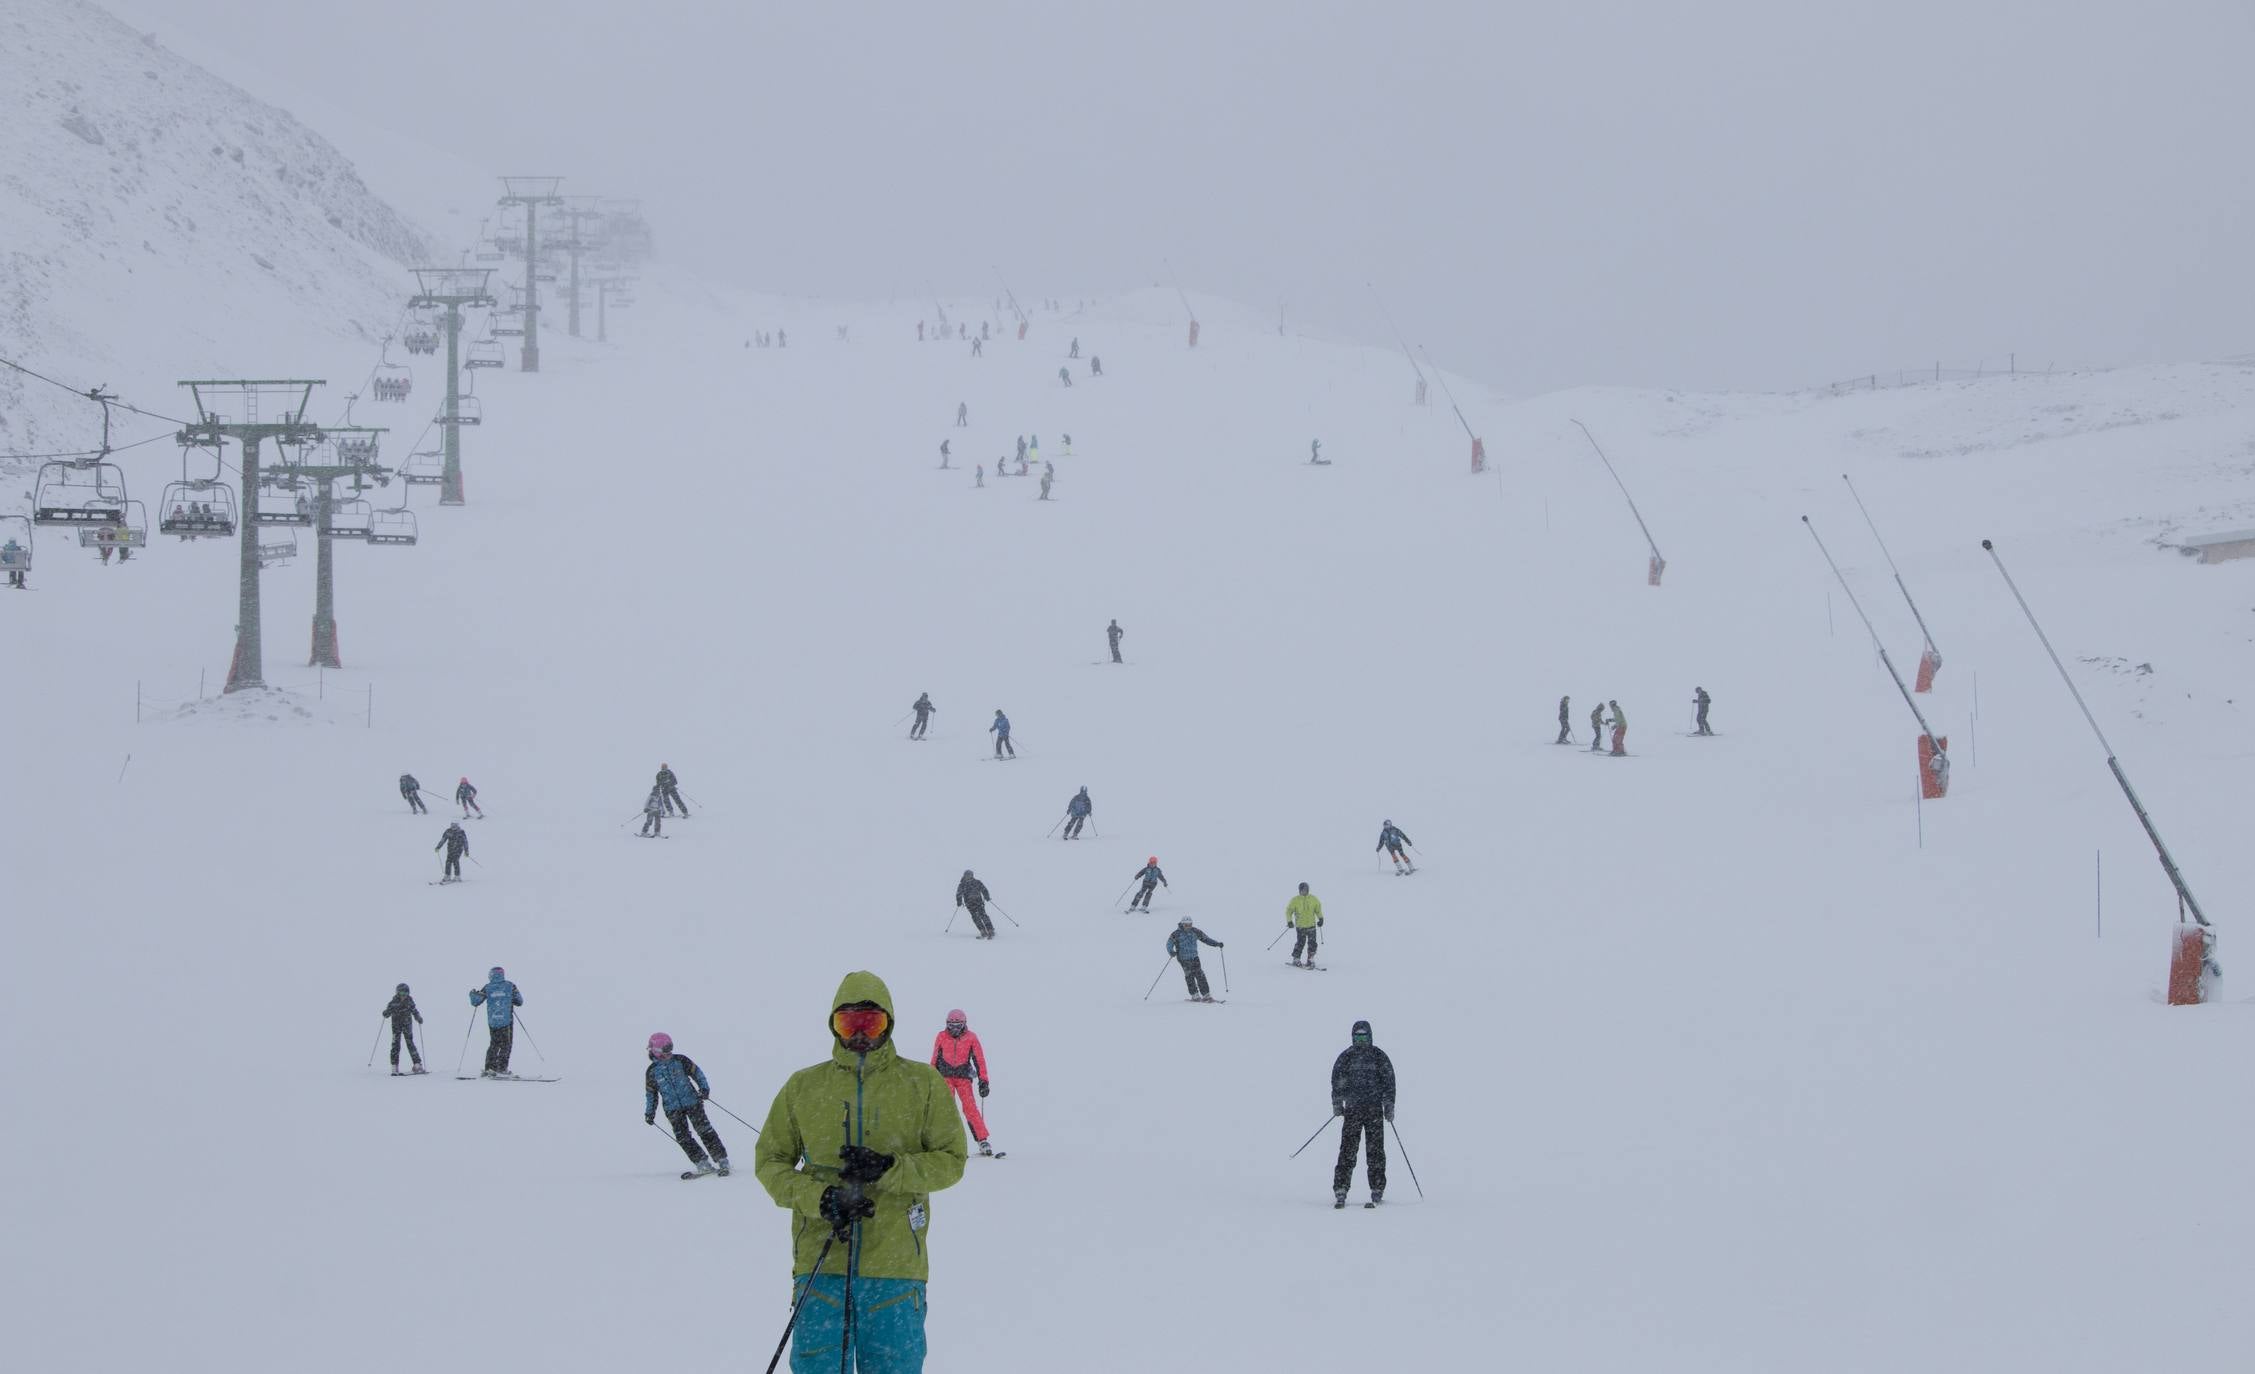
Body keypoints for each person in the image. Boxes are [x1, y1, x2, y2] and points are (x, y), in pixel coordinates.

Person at [754, 972, 966, 1374]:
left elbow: (951, 1160)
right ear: (833, 1025)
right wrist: (821, 1199)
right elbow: (770, 1163)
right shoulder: (803, 1086)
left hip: (895, 1269)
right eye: (848, 1023)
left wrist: (890, 1168)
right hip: (822, 1264)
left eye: (872, 1023)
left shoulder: (922, 1083)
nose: (860, 1035)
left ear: (889, 1023)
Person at [1330, 1020, 1396, 1208]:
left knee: (1375, 1151)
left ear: (1370, 1037)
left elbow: (1389, 1082)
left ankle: (1377, 1188)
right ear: (1352, 1037)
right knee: (1348, 1150)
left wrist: (1389, 1105)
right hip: (1352, 1111)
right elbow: (1337, 1081)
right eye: (1357, 1037)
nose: (1360, 1041)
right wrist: (1337, 1102)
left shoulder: (1379, 1057)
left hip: (1374, 1110)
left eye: (1363, 1037)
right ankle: (1341, 1188)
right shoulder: (1346, 1057)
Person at [644, 1032, 728, 1176]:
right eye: (665, 1050)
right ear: (656, 1052)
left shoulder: (681, 1060)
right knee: (683, 1137)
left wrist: (704, 1088)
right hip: (672, 1110)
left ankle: (722, 1159)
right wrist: (649, 1112)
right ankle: (702, 1163)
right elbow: (651, 1094)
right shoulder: (652, 1072)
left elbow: (698, 1073)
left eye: (670, 1049)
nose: (669, 1053)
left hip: (693, 1102)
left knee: (704, 1130)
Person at [929, 1010, 996, 1157]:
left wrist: (983, 1080)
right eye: (951, 1025)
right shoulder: (941, 1036)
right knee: (948, 1110)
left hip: (963, 1078)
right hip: (945, 1077)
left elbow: (979, 1060)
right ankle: (949, 1143)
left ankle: (982, 1140)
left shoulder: (971, 1038)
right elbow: (934, 1058)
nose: (954, 1029)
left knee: (970, 1108)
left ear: (964, 1024)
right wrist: (931, 1079)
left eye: (957, 1025)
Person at [468, 966, 522, 1077]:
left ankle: (489, 1068)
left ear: (491, 975)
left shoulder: (487, 988)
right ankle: (502, 1069)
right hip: (507, 1020)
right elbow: (519, 1001)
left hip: (493, 1020)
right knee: (506, 1045)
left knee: (494, 1044)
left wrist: (472, 994)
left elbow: (476, 1002)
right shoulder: (510, 986)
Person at [1166, 916, 1224, 1002]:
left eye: (1190, 925)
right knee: (1189, 976)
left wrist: (1216, 944)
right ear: (1182, 924)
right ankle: (1195, 995)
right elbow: (1169, 944)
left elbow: (1206, 939)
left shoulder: (1195, 931)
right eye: (1186, 925)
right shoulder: (1176, 934)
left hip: (1194, 957)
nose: (1188, 927)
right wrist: (1171, 951)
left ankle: (1206, 995)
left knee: (1200, 975)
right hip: (1183, 958)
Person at [382, 983, 425, 1075]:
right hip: (396, 1026)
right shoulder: (393, 1002)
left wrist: (418, 1018)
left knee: (410, 1043)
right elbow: (388, 1012)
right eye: (401, 993)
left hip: (407, 1025)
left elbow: (414, 1011)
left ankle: (417, 1064)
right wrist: (386, 1013)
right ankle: (394, 1066)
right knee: (395, 1045)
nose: (403, 996)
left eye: (406, 994)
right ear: (397, 993)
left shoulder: (409, 1002)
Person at [1285, 882, 1323, 968]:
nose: (1305, 891)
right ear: (1300, 890)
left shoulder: (1313, 899)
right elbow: (1288, 911)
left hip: (1311, 925)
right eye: (1303, 890)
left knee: (1312, 943)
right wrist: (1289, 921)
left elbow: (1318, 909)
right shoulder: (1295, 900)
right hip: (1300, 926)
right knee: (1300, 943)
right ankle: (1296, 959)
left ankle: (1310, 959)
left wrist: (1321, 918)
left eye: (1306, 890)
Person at [955, 870, 995, 940]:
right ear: (964, 876)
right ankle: (982, 930)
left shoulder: (977, 882)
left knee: (983, 915)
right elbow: (958, 894)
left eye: (970, 875)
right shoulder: (962, 884)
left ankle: (990, 929)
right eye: (967, 875)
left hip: (978, 902)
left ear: (972, 875)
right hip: (969, 904)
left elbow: (984, 889)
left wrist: (986, 896)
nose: (968, 877)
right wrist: (959, 902)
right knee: (975, 917)